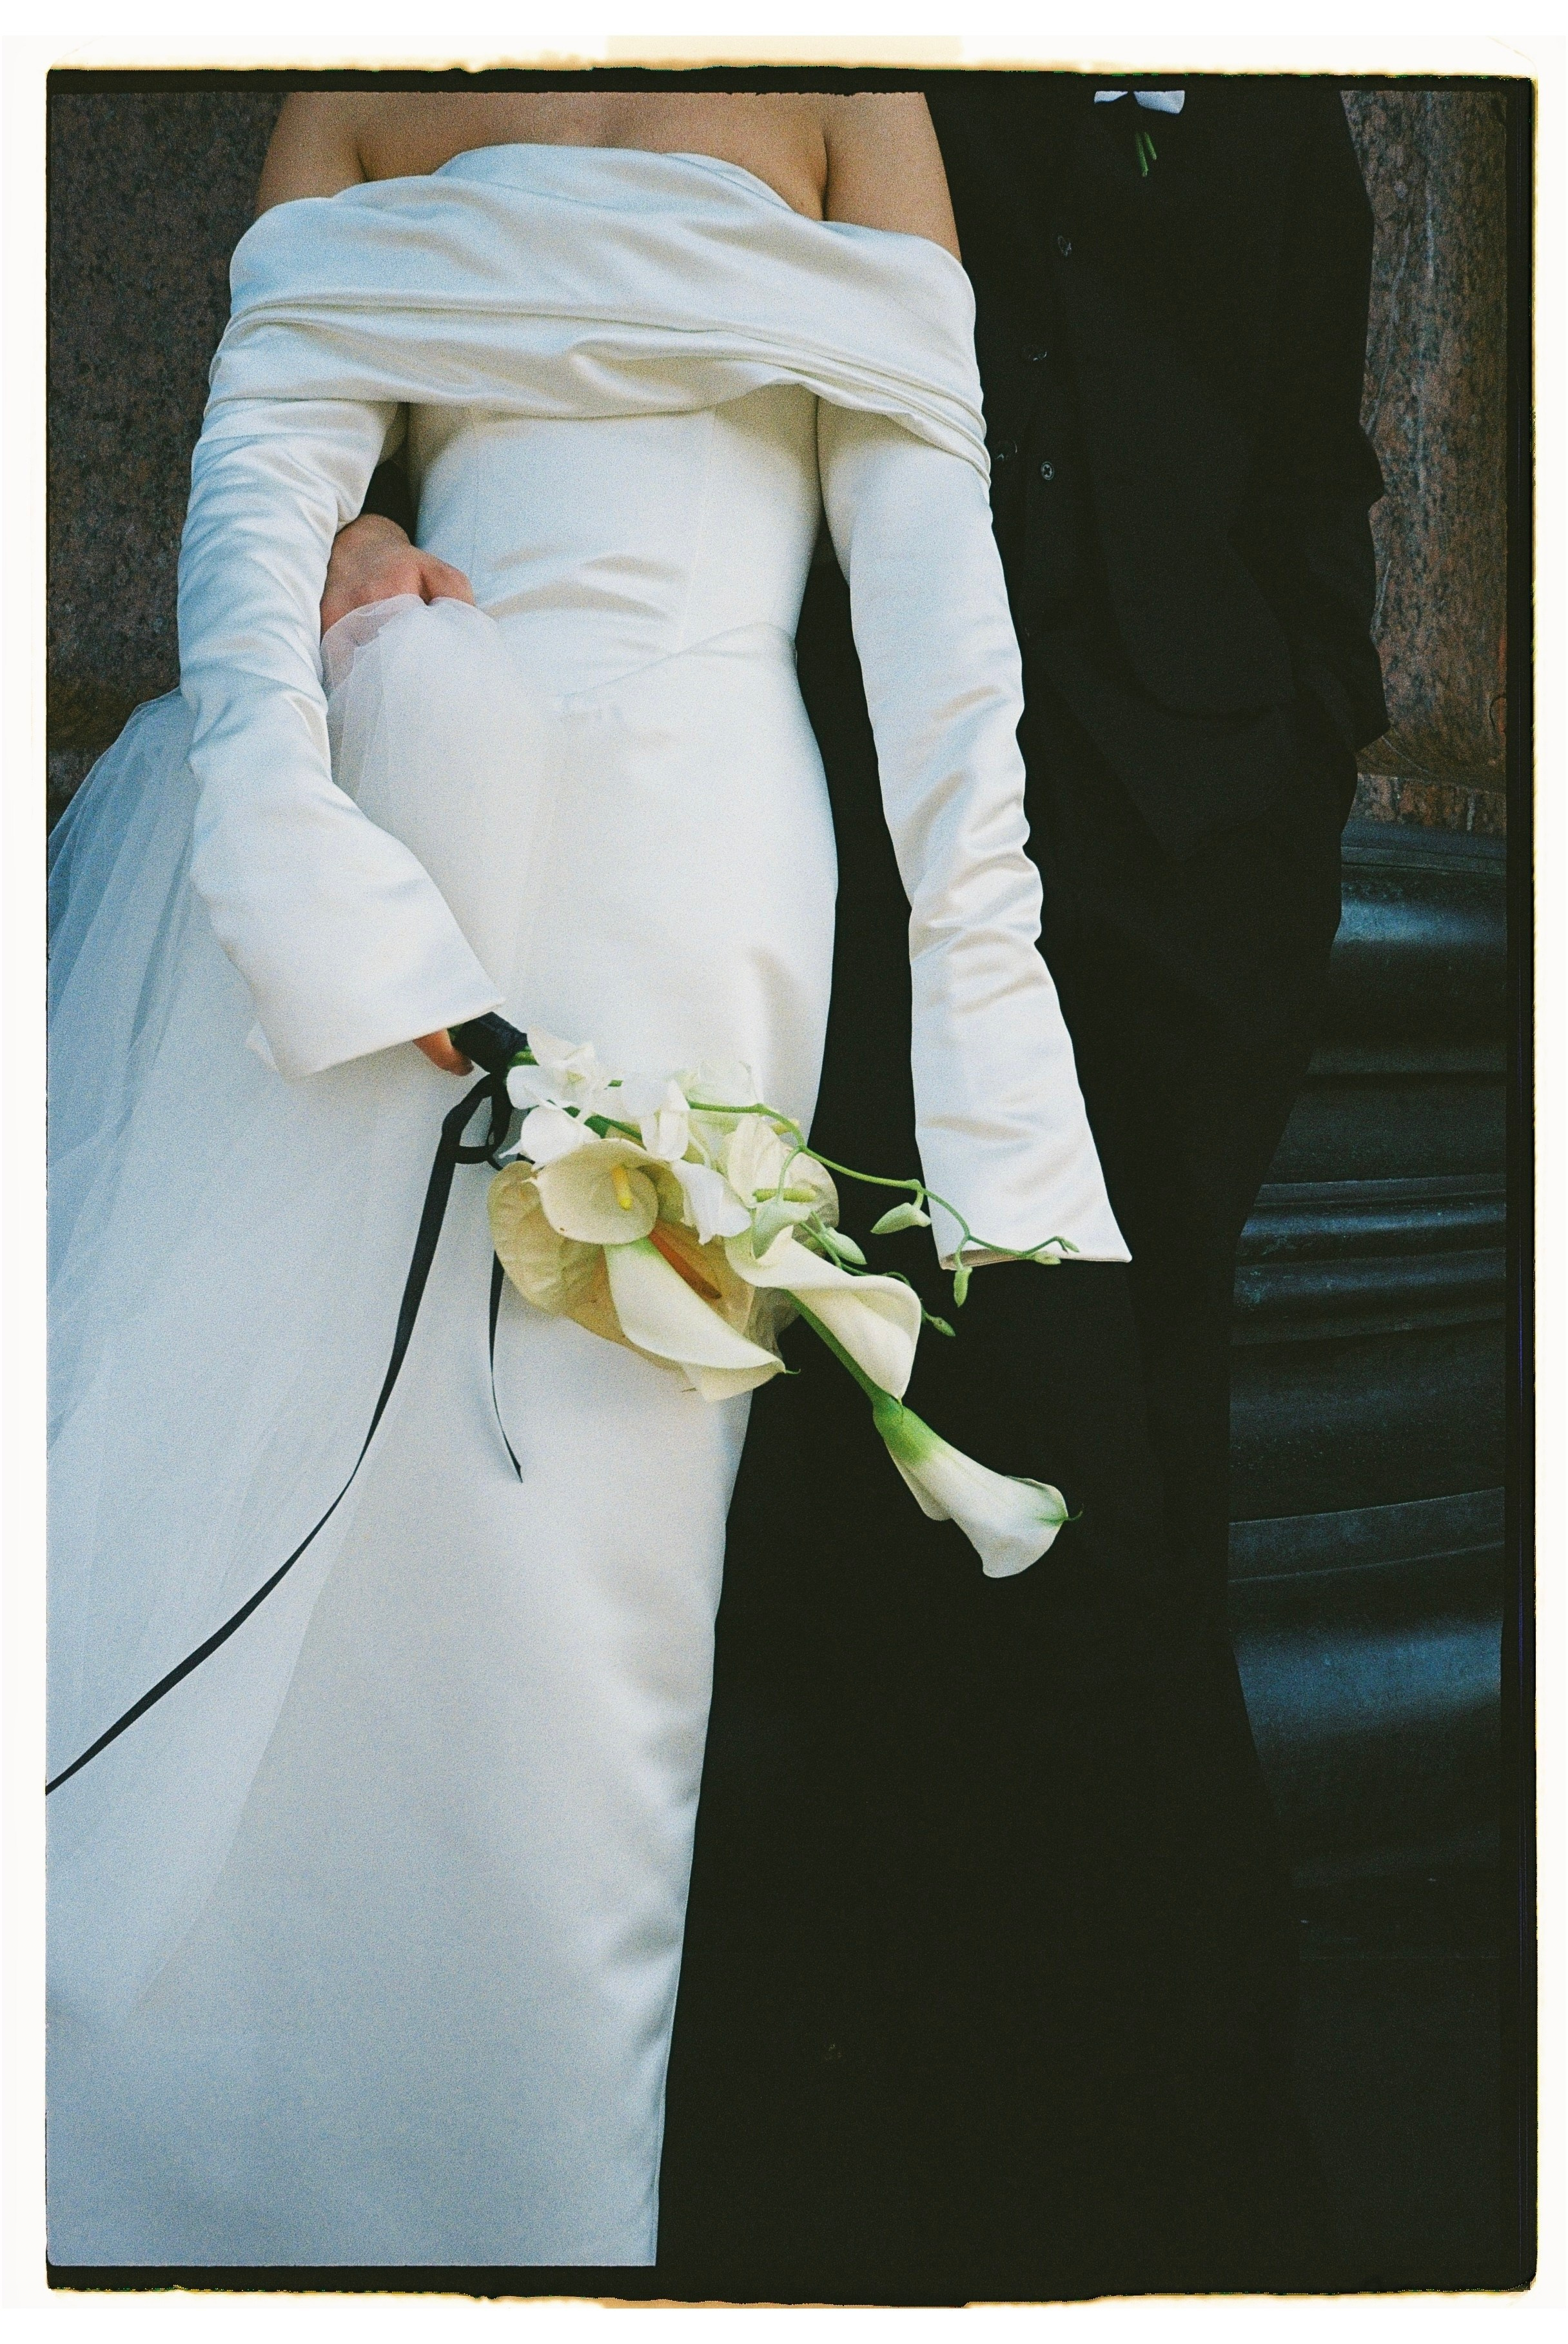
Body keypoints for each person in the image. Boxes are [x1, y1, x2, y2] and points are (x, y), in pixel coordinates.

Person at [45, 88, 1137, 2277]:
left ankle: (528, 2214)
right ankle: (220, 2186)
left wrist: (1004, 1075)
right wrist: (328, 873)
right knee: (350, 1528)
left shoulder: (852, 101)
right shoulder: (355, 86)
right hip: (415, 824)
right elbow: (254, 520)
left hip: (703, 857)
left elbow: (935, 604)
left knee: (598, 1585)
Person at [320, 80, 1387, 2301]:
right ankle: (858, 2151)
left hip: (1192, 880)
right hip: (858, 879)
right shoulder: (869, 73)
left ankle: (1170, 2156)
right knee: (829, 1482)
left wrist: (1297, 771)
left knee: (1141, 1458)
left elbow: (1310, 468)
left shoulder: (1284, 117)